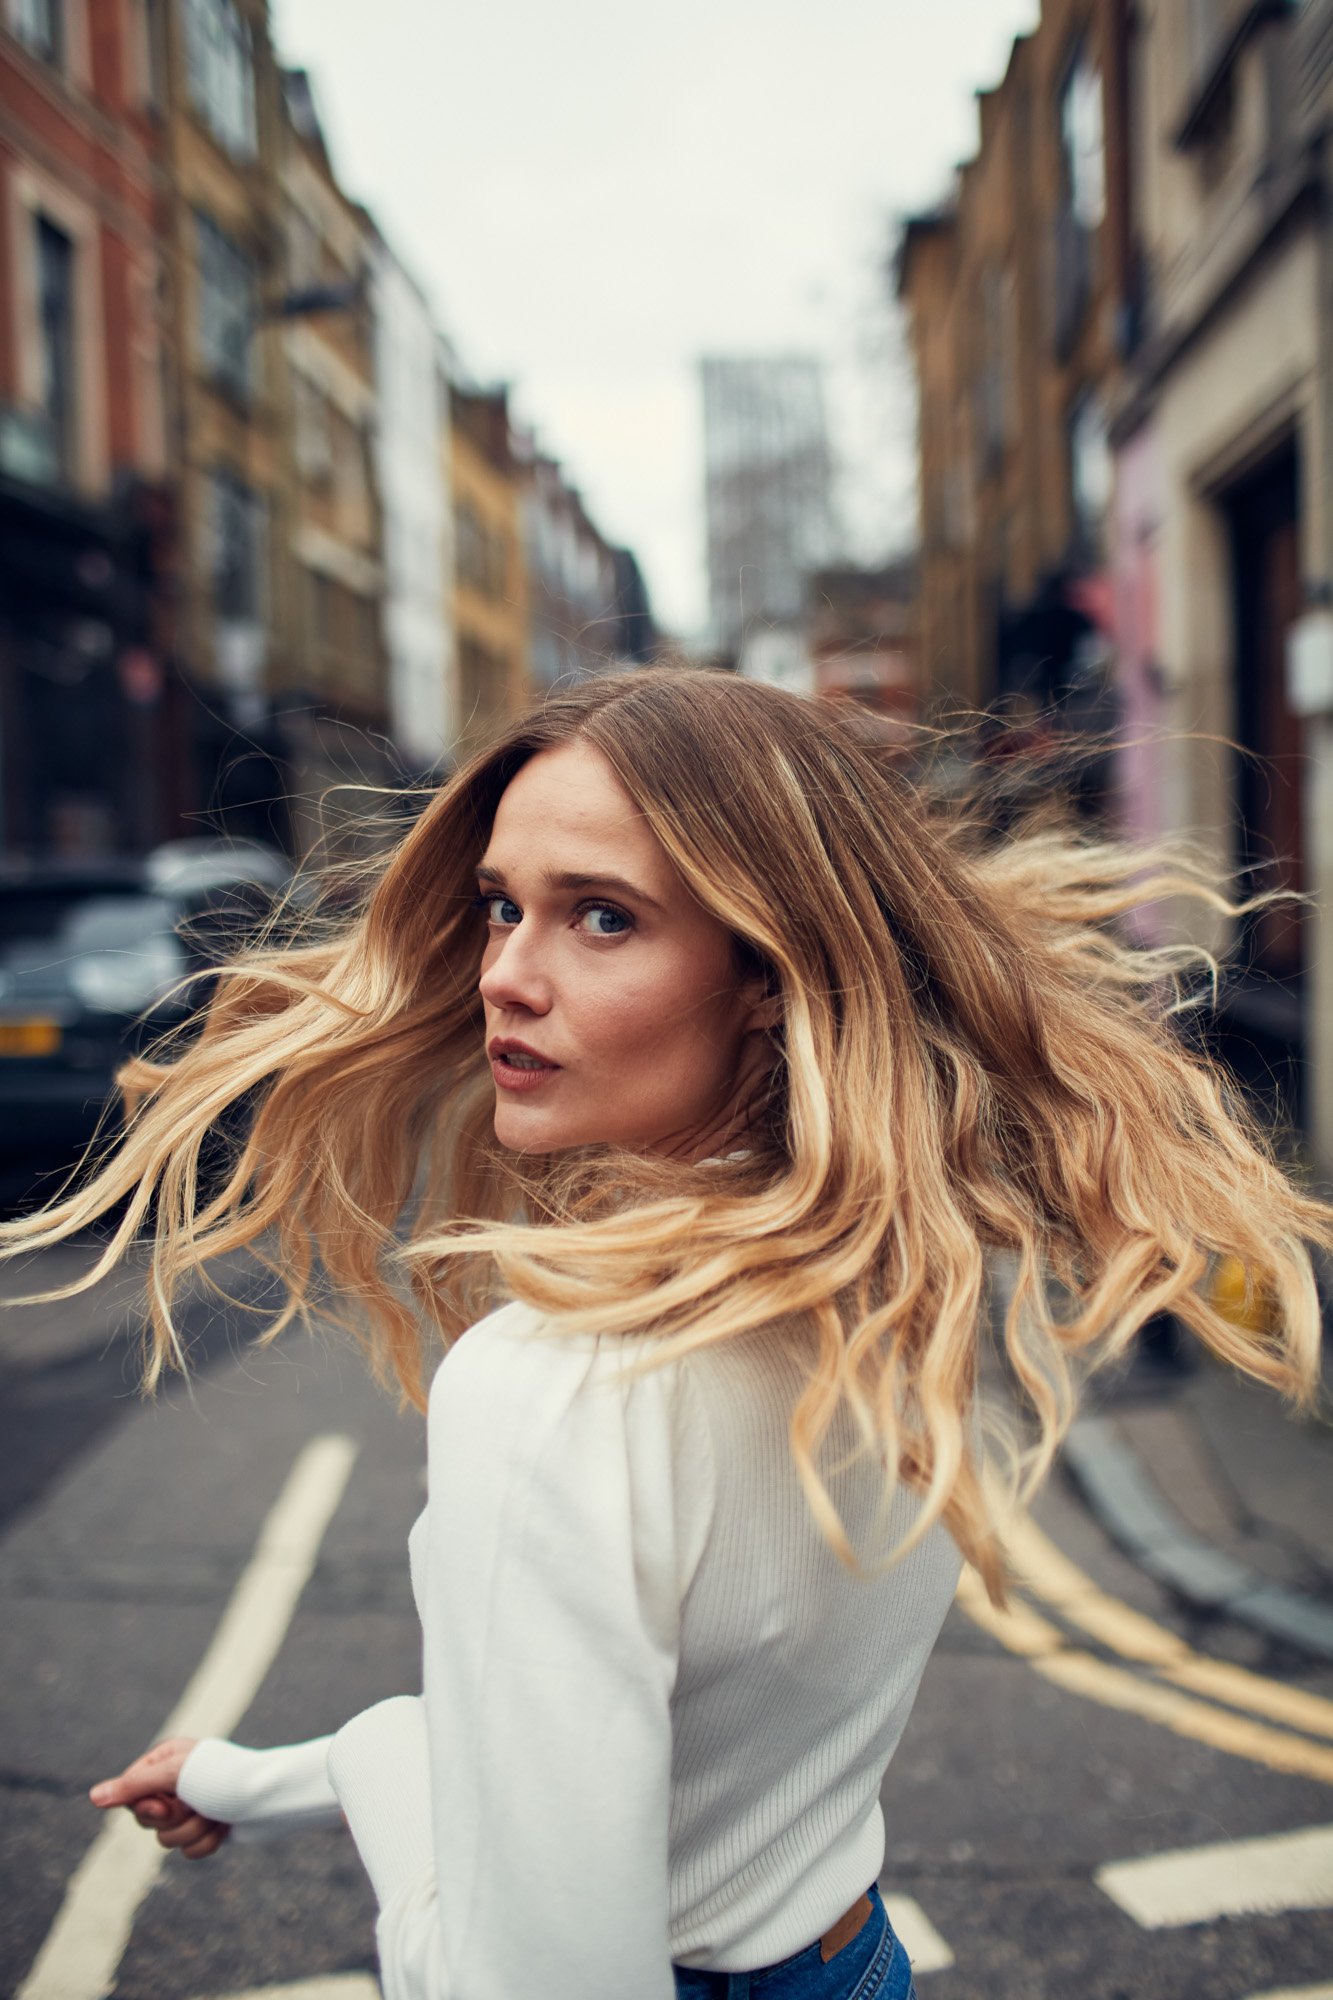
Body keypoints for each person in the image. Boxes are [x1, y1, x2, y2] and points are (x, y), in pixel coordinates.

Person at [6, 668, 1329, 2000]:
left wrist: (368, 1767)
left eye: (601, 917)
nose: (507, 977)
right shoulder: (894, 1279)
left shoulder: (551, 1395)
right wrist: (256, 1777)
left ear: (764, 972)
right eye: (498, 907)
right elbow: (699, 1749)